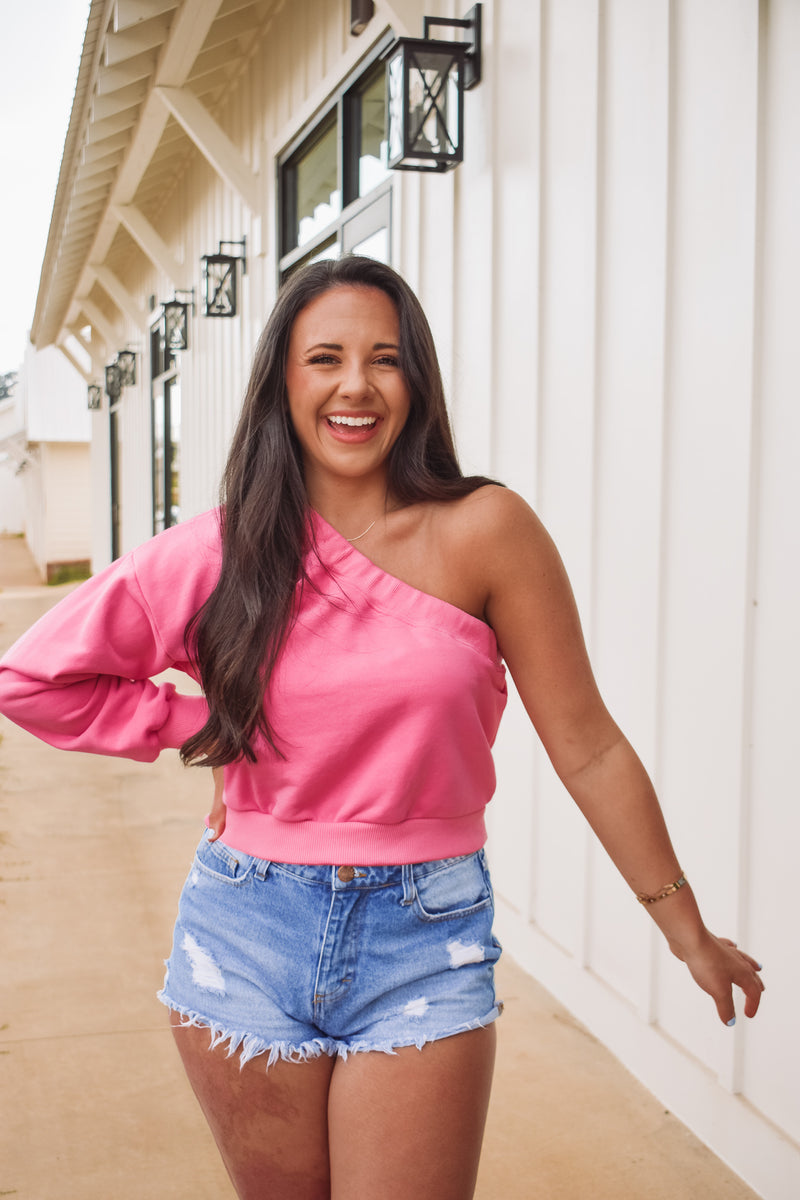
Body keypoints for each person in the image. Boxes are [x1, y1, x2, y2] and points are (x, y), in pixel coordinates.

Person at [0, 256, 764, 1200]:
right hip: (244, 930)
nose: (354, 384)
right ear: (285, 381)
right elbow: (34, 678)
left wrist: (685, 929)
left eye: (385, 359)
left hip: (425, 938)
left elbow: (589, 744)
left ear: (417, 382)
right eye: (324, 357)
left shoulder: (487, 531)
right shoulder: (223, 551)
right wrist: (206, 722)